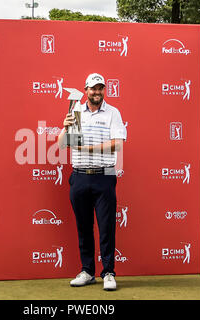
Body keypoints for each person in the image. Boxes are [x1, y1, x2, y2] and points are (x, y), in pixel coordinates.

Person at [58, 73, 127, 291]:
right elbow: (62, 145)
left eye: (100, 88)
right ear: (85, 90)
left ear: (104, 90)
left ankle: (108, 272)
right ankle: (87, 271)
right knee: (84, 227)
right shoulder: (75, 111)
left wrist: (89, 149)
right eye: (93, 88)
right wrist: (64, 126)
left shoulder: (112, 112)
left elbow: (117, 144)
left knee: (106, 227)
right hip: (79, 175)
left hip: (104, 175)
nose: (97, 92)